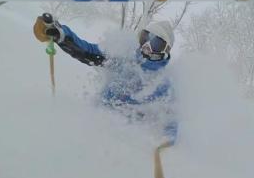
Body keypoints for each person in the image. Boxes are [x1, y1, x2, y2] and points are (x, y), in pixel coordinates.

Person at [33, 14, 178, 145]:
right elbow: (88, 51)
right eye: (145, 38)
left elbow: (170, 119)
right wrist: (61, 34)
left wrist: (166, 142)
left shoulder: (162, 83)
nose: (147, 46)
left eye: (156, 43)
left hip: (124, 139)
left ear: (165, 50)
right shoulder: (124, 56)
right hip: (94, 122)